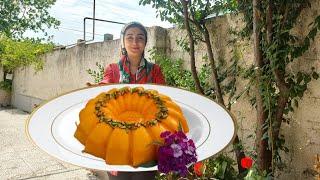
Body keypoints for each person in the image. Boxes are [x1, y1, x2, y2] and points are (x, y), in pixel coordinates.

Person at [91, 22, 166, 180]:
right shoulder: (113, 69)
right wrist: (96, 90)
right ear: (123, 41)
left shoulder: (155, 71)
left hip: (147, 141)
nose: (134, 42)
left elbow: (163, 99)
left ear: (145, 42)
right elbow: (105, 86)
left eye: (140, 38)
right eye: (130, 37)